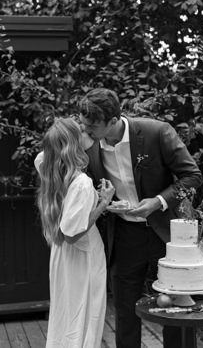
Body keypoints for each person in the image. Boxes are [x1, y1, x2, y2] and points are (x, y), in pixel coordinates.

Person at [79, 88, 203, 348]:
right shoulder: (89, 146)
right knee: (125, 310)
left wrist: (157, 202)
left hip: (165, 232)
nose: (86, 130)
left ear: (113, 121)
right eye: (84, 124)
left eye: (92, 126)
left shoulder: (156, 132)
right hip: (124, 235)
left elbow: (192, 175)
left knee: (176, 304)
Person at [35, 117, 115, 348]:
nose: (88, 131)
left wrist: (61, 133)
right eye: (81, 130)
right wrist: (103, 203)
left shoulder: (47, 167)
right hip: (84, 255)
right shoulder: (80, 182)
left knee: (64, 316)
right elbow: (72, 234)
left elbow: (43, 154)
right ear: (73, 143)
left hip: (61, 256)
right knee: (85, 318)